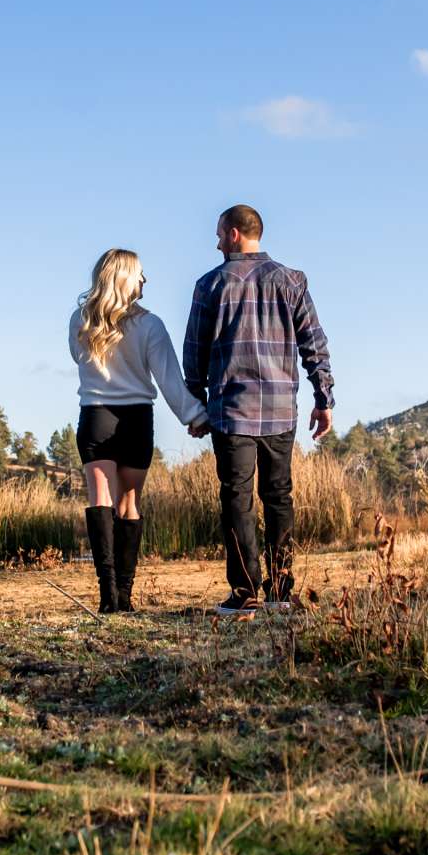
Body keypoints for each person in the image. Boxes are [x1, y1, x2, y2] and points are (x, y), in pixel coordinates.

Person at [182, 205, 333, 616]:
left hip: (231, 411)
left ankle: (246, 591)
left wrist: (195, 404)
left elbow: (194, 350)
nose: (215, 242)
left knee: (238, 498)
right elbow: (313, 343)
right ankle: (282, 590)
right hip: (281, 410)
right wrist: (324, 398)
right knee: (279, 496)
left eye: (217, 234)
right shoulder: (291, 281)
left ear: (233, 234)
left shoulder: (210, 285)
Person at [70, 248, 209, 613]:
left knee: (99, 498)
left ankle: (107, 596)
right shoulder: (150, 325)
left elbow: (77, 358)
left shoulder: (81, 321)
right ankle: (125, 597)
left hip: (95, 416)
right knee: (128, 503)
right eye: (140, 274)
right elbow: (169, 381)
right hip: (136, 420)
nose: (145, 280)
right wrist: (195, 416)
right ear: (126, 279)